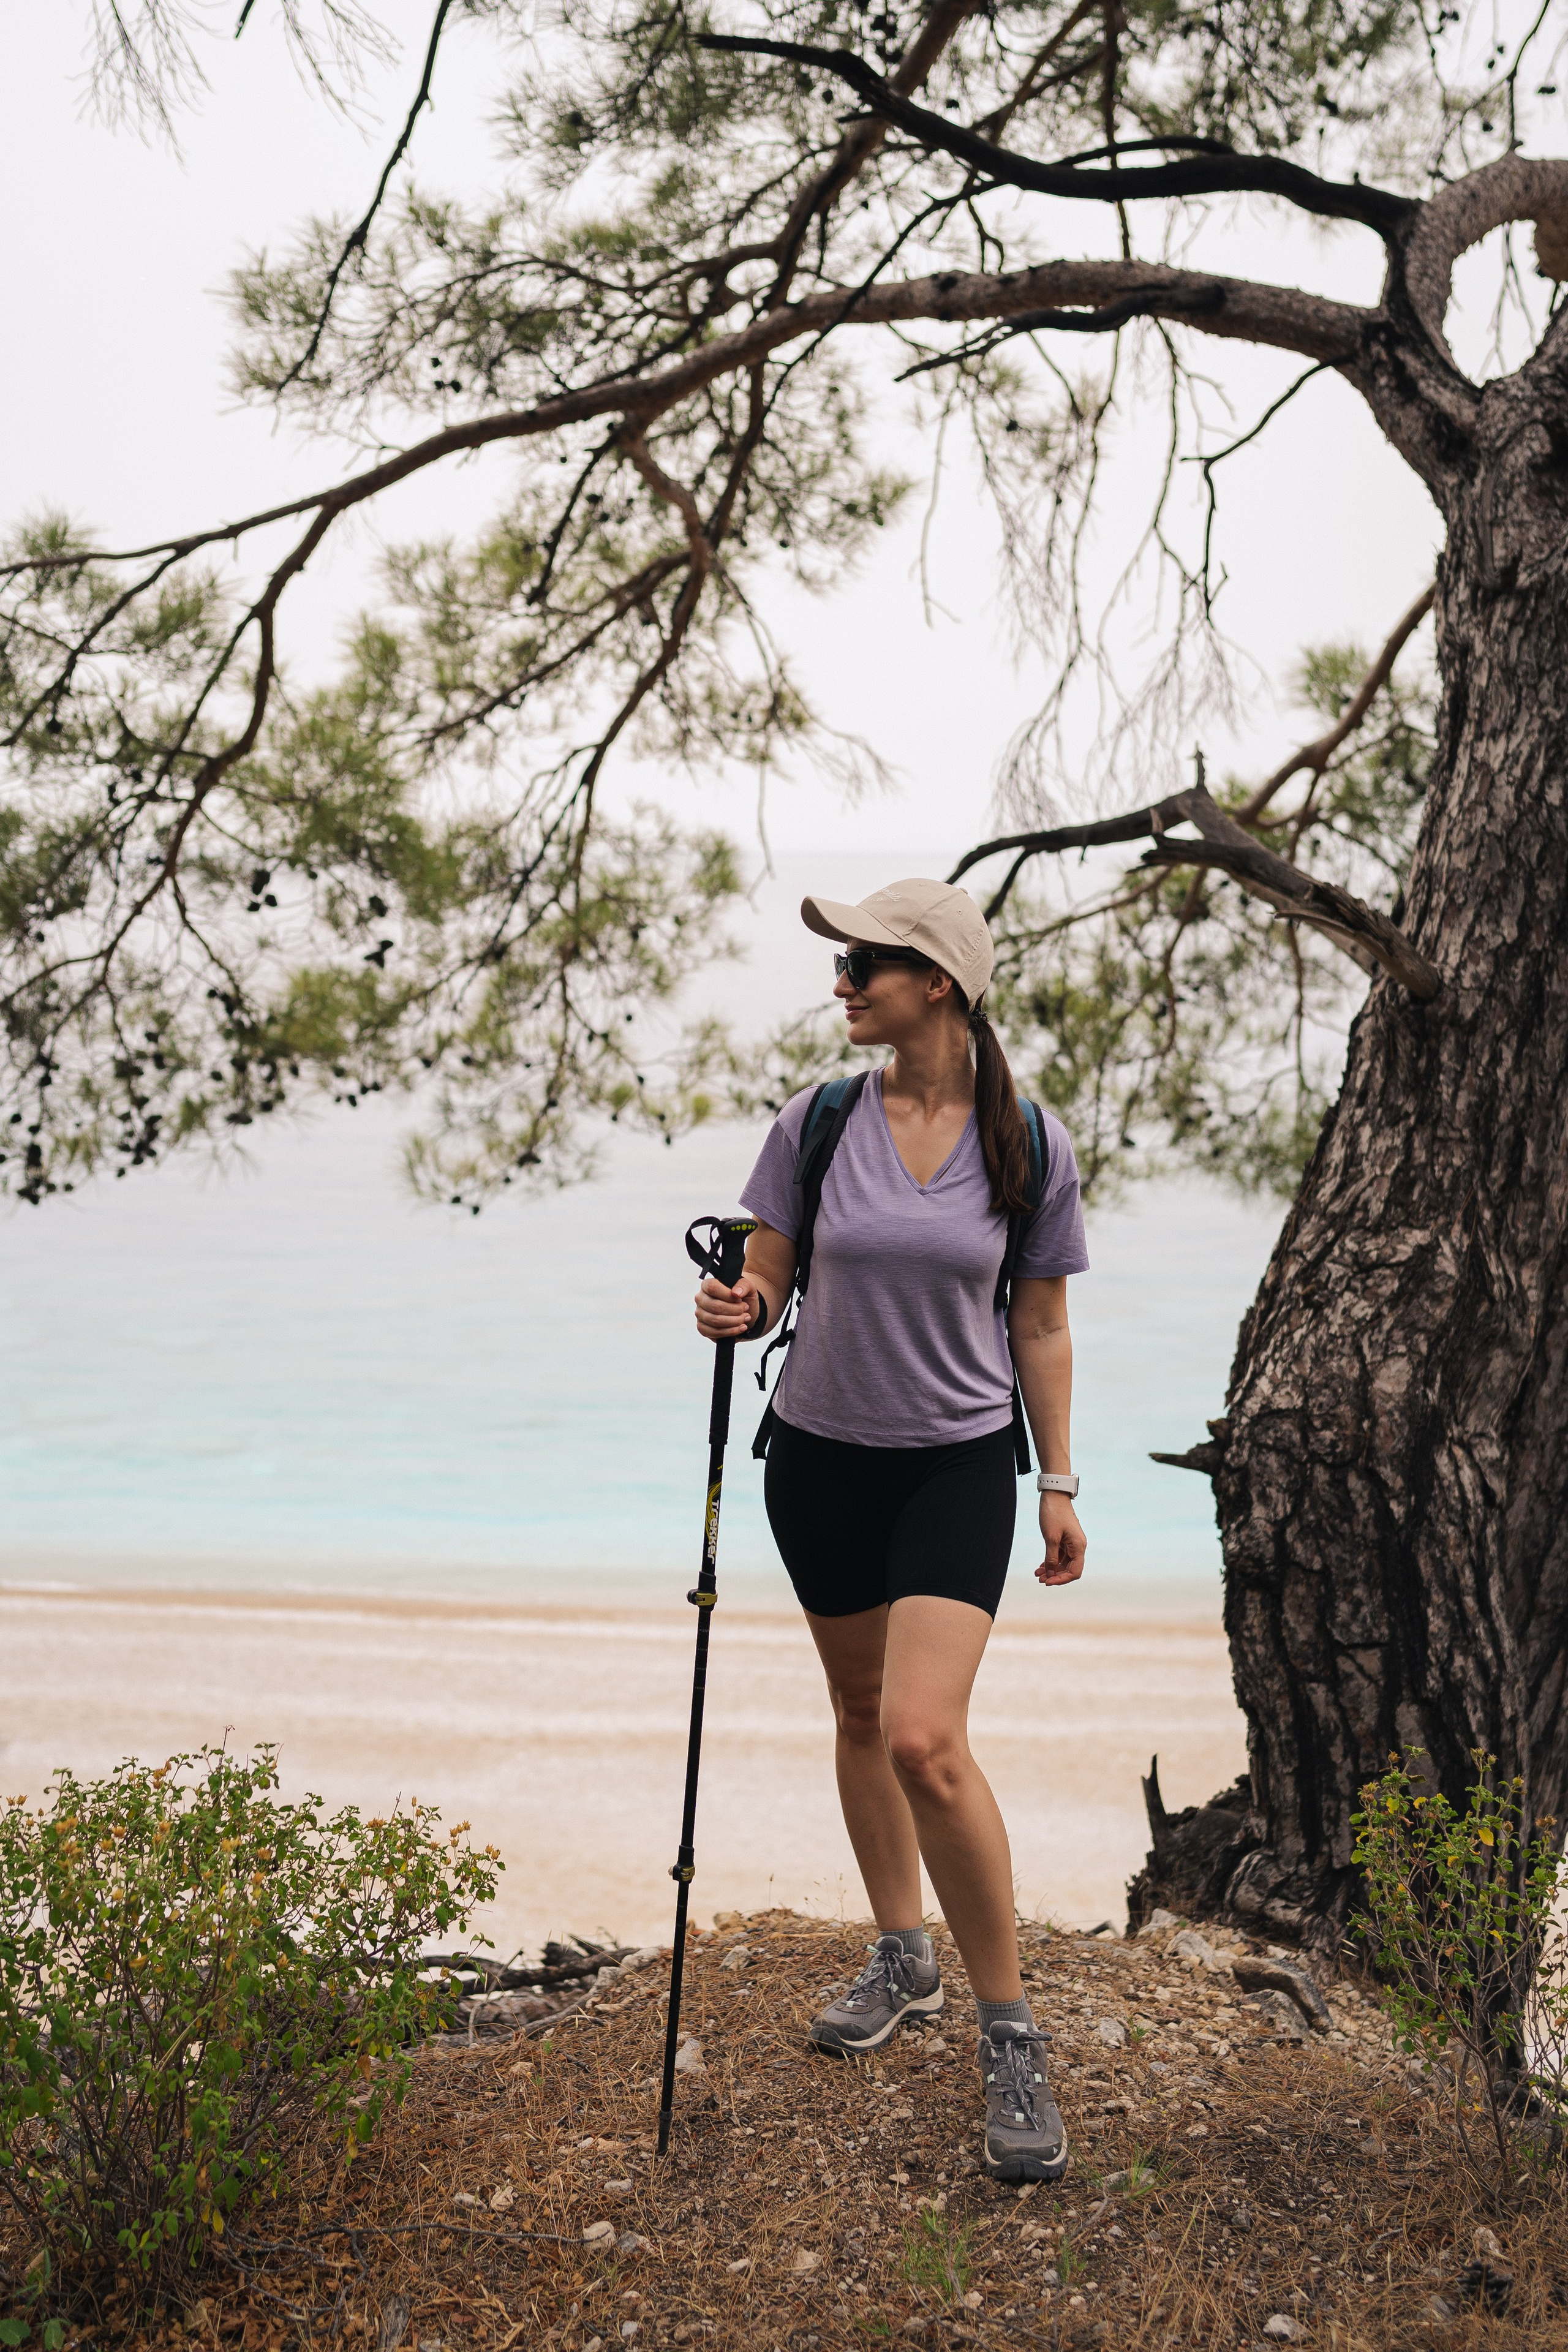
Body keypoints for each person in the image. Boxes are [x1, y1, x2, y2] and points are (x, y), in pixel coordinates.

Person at [693, 876, 1089, 2185]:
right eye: (843, 959)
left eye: (866, 959)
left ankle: (1007, 2027)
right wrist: (734, 1309)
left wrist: (1060, 1482)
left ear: (938, 983)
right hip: (817, 1461)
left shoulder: (1026, 1141)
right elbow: (765, 1274)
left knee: (926, 1738)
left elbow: (1035, 1322)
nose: (843, 979)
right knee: (861, 1717)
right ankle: (899, 1953)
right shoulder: (813, 1125)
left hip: (958, 1466)